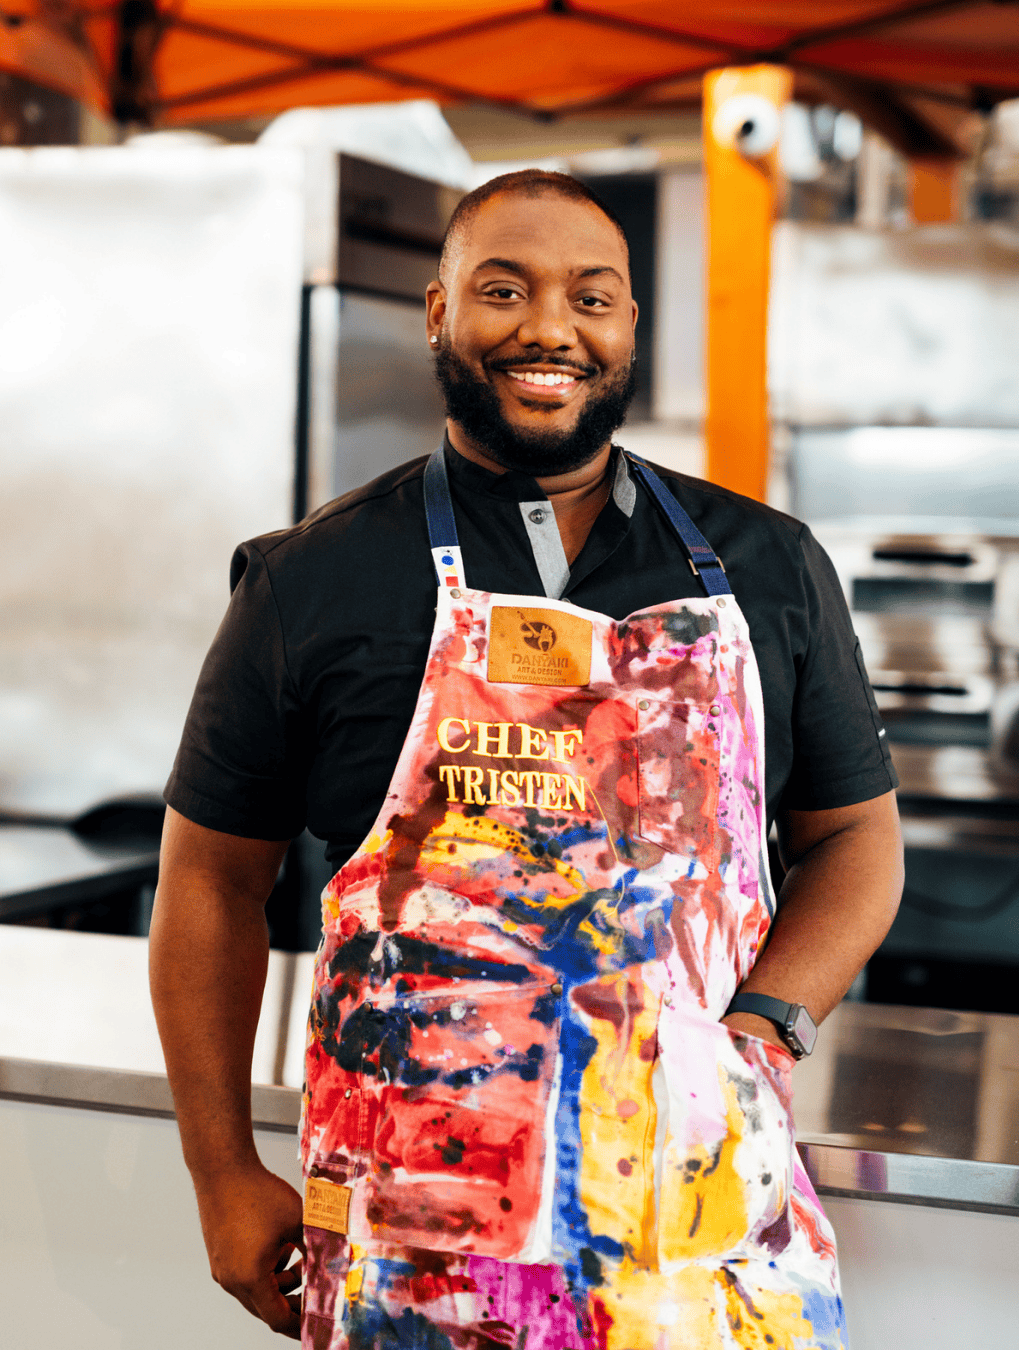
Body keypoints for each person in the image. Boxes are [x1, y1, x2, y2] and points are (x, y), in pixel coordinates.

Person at [150, 169, 904, 1350]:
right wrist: (219, 1168)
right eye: (504, 290)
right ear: (440, 311)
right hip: (412, 1243)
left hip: (694, 1237)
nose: (551, 328)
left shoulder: (770, 568)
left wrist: (762, 1028)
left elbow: (856, 837)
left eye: (590, 298)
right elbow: (207, 879)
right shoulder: (310, 581)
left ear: (629, 329)